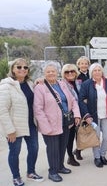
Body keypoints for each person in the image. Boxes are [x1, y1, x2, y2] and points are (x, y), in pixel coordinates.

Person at [34, 63, 81, 182]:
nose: (51, 73)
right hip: (50, 124)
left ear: (57, 72)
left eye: (53, 71)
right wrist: (45, 126)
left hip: (65, 121)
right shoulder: (40, 87)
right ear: (44, 74)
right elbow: (38, 109)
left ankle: (60, 166)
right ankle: (53, 171)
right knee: (53, 149)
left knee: (62, 146)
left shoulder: (62, 84)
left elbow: (73, 101)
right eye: (48, 71)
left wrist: (76, 115)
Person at [0, 58, 44, 186]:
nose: (22, 69)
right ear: (13, 69)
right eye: (19, 67)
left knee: (34, 149)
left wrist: (38, 81)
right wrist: (10, 130)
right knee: (15, 152)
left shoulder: (29, 83)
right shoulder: (6, 86)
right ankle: (16, 177)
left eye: (25, 67)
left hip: (31, 124)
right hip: (15, 127)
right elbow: (2, 110)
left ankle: (31, 172)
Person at [79, 63, 107, 167]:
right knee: (95, 138)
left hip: (106, 114)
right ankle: (97, 157)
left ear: (102, 72)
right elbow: (81, 101)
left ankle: (102, 155)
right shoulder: (86, 84)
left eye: (99, 70)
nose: (97, 72)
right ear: (91, 73)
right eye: (95, 70)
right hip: (93, 117)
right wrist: (87, 115)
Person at [61, 64, 82, 166]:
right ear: (63, 74)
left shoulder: (79, 83)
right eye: (67, 72)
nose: (70, 73)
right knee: (70, 137)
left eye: (72, 71)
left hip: (80, 112)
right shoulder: (61, 84)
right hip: (69, 114)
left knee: (80, 135)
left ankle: (78, 150)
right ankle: (70, 157)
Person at [73, 56, 90, 160]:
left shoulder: (91, 74)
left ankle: (80, 148)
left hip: (91, 105)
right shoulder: (77, 76)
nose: (84, 65)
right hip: (80, 105)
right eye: (82, 63)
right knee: (79, 130)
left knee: (88, 129)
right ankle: (78, 150)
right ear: (78, 65)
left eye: (85, 63)